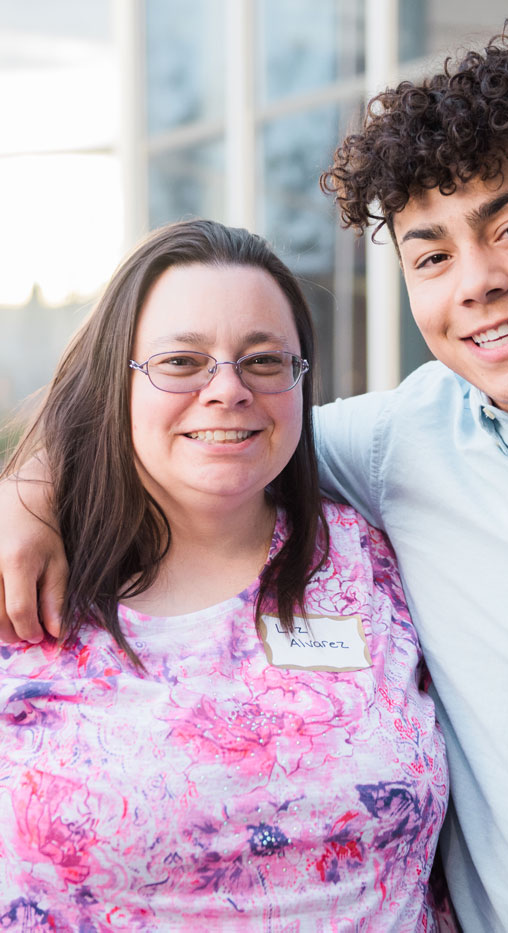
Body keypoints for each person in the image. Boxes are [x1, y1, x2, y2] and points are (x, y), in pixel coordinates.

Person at [2, 18, 508, 933]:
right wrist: (29, 491)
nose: (478, 282)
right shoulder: (397, 442)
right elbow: (202, 429)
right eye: (433, 256)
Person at [0, 220, 450, 930]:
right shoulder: (23, 581)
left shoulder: (376, 552)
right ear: (117, 378)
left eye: (264, 360)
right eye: (181, 361)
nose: (228, 389)